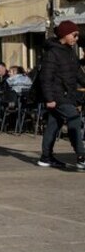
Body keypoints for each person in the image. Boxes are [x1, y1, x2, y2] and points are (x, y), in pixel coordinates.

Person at [38, 20, 85, 169]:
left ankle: (46, 157)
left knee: (53, 125)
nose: (77, 38)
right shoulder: (52, 52)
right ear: (65, 34)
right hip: (58, 96)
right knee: (74, 118)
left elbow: (78, 74)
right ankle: (81, 156)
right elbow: (45, 77)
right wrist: (49, 98)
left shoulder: (70, 52)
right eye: (74, 35)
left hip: (68, 95)